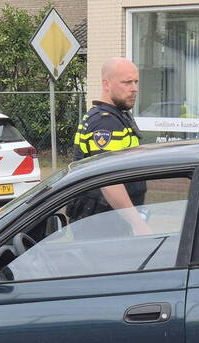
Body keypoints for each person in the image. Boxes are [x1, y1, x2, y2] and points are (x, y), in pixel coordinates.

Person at [71, 57, 149, 235]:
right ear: (107, 84)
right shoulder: (105, 123)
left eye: (136, 82)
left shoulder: (115, 117)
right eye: (127, 82)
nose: (134, 88)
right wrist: (138, 223)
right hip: (104, 224)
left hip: (110, 220)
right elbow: (110, 182)